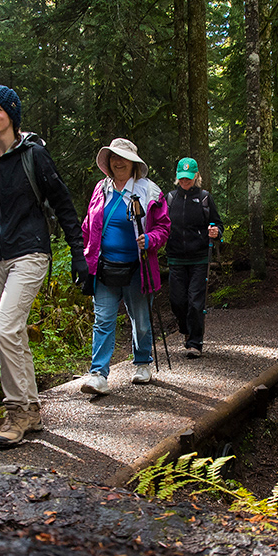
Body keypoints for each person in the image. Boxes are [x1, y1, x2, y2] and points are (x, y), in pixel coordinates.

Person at [0, 85, 88, 447]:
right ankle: (31, 410)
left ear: (12, 116)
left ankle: (16, 412)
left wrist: (78, 253)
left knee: (3, 330)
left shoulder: (34, 156)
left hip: (30, 253)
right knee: (12, 334)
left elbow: (63, 204)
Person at [80, 138, 169, 395]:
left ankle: (142, 362)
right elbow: (89, 225)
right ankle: (98, 374)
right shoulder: (101, 189)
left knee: (141, 321)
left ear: (133, 163)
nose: (117, 162)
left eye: (122, 157)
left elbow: (164, 226)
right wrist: (86, 256)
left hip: (138, 268)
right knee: (103, 320)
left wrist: (150, 239)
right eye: (113, 157)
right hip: (105, 267)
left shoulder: (149, 191)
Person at [165, 158, 223, 358]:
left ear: (196, 176)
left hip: (199, 258)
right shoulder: (170, 198)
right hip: (175, 258)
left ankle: (195, 343)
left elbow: (218, 225)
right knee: (177, 301)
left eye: (188, 178)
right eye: (181, 177)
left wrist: (216, 232)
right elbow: (161, 226)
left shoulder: (205, 198)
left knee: (196, 302)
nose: (184, 181)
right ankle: (186, 329)